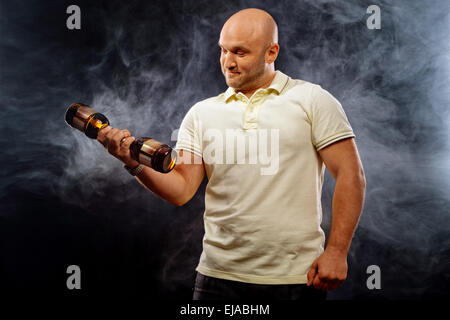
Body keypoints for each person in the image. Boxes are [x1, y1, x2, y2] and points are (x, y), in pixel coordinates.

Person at [97, 8, 366, 300]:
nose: (228, 62)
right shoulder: (201, 113)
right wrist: (132, 162)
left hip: (295, 278)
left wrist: (337, 251)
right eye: (223, 50)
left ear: (271, 52)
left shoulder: (312, 100)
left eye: (240, 52)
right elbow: (181, 190)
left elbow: (351, 175)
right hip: (216, 278)